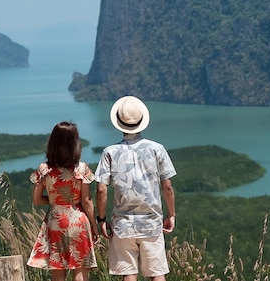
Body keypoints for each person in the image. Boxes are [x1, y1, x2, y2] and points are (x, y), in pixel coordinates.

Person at [95, 95, 177, 281]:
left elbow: (101, 190)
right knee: (157, 274)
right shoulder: (157, 149)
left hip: (122, 225)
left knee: (129, 274)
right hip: (152, 223)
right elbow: (167, 186)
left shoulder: (109, 152)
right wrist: (171, 215)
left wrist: (101, 220)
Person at [27, 121, 98, 281]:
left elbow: (37, 200)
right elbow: (86, 201)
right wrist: (94, 225)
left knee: (57, 269)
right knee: (80, 267)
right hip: (78, 221)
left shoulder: (44, 169)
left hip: (55, 222)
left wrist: (55, 200)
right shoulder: (81, 169)